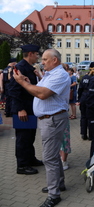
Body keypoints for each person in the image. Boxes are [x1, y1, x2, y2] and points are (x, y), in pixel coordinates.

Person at [13, 48, 70, 207]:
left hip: (52, 120)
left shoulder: (59, 74)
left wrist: (22, 83)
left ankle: (54, 195)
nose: (41, 61)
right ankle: (58, 184)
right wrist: (29, 83)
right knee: (52, 154)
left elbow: (43, 94)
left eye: (45, 59)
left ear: (55, 61)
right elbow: (39, 90)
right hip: (49, 119)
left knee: (49, 158)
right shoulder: (51, 74)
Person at [9, 44, 43, 175]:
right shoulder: (20, 68)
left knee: (30, 136)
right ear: (30, 54)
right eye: (36, 54)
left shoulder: (28, 67)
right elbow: (13, 90)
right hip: (23, 109)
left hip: (30, 108)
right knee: (23, 138)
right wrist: (20, 109)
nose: (37, 56)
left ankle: (30, 159)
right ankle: (22, 165)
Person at [77, 62, 94, 140]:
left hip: (83, 98)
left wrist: (79, 99)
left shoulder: (85, 77)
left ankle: (83, 133)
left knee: (83, 117)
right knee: (91, 117)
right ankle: (91, 135)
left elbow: (80, 89)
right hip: (91, 99)